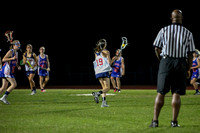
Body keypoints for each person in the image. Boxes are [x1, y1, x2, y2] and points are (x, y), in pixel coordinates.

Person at [150, 9, 195, 127]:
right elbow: (191, 53)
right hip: (180, 62)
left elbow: (156, 48)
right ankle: (174, 122)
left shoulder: (164, 30)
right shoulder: (188, 32)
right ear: (182, 18)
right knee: (176, 93)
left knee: (161, 92)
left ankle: (155, 121)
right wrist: (188, 68)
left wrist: (162, 60)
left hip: (166, 60)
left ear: (171, 18)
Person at [0, 40, 21, 104]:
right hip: (7, 70)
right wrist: (11, 58)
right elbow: (3, 59)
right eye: (17, 45)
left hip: (9, 70)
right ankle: (4, 97)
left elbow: (15, 61)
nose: (18, 46)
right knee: (14, 84)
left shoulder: (16, 53)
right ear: (13, 46)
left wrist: (17, 66)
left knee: (4, 87)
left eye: (19, 45)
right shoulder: (11, 51)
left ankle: (3, 98)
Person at [92, 39, 112, 107]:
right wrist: (114, 59)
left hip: (98, 71)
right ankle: (97, 93)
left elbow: (97, 61)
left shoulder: (96, 52)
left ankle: (103, 103)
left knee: (103, 88)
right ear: (104, 45)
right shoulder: (107, 52)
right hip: (104, 70)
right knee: (107, 88)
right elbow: (109, 63)